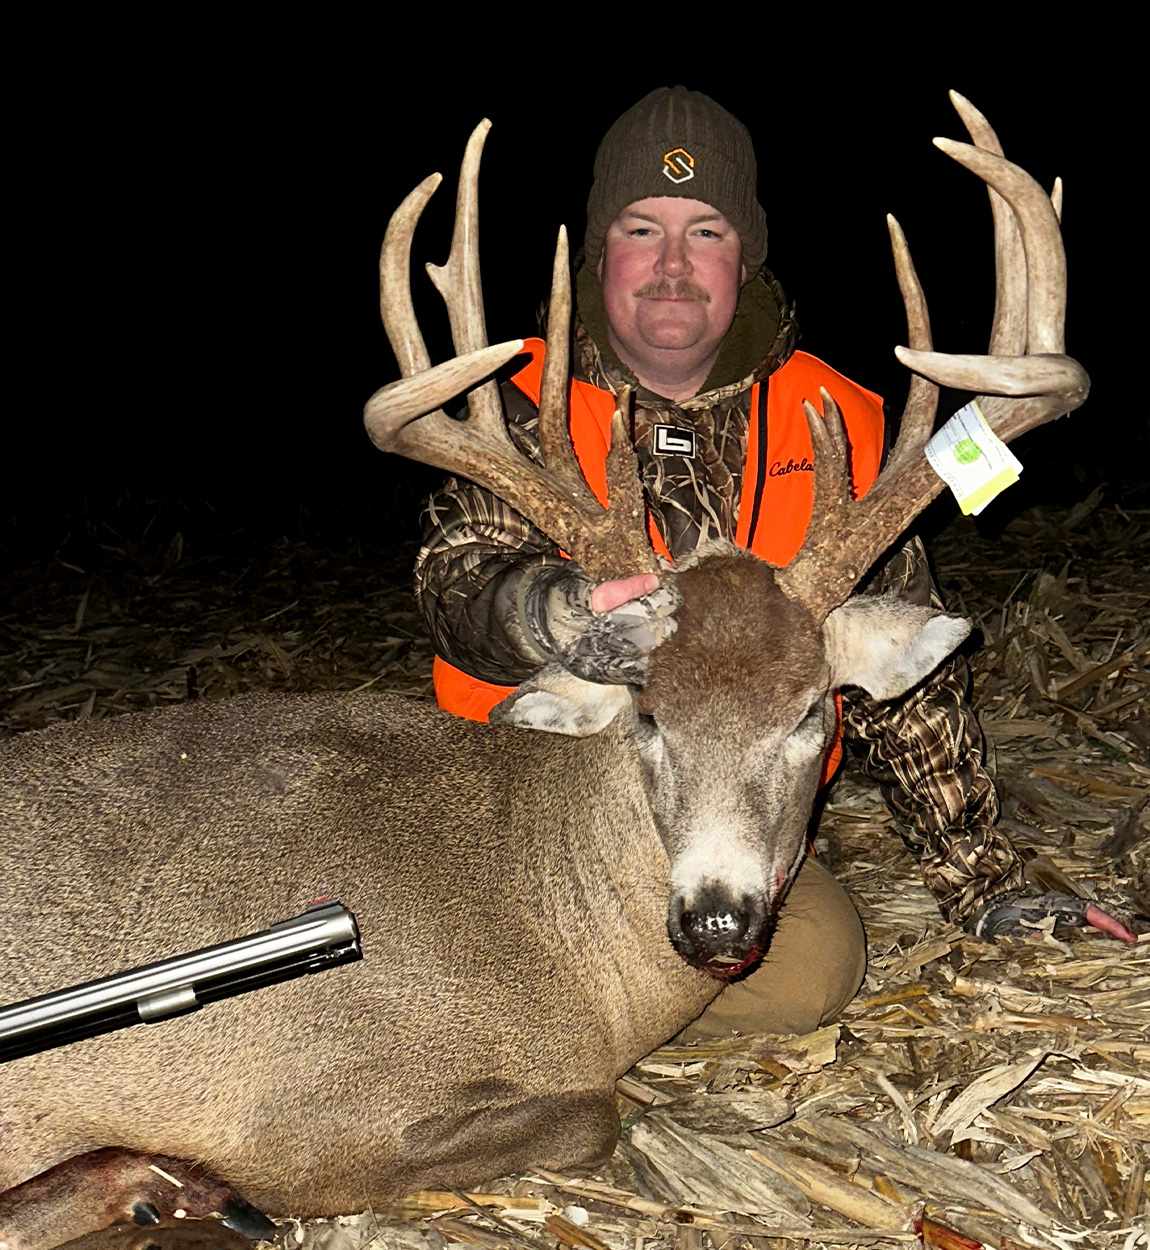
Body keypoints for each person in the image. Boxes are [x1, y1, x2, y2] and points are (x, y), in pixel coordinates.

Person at [411, 87, 1131, 1038]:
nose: (673, 265)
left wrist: (986, 885)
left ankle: (519, 1014)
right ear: (598, 254)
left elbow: (909, 679)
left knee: (811, 973)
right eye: (641, 229)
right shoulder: (510, 412)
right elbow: (453, 580)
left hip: (727, 814)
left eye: (705, 231)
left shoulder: (840, 423)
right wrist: (558, 614)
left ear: (744, 256)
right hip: (509, 795)